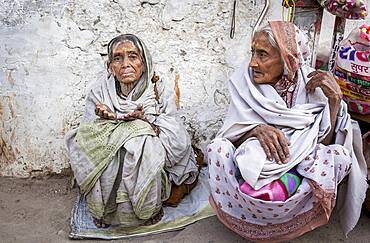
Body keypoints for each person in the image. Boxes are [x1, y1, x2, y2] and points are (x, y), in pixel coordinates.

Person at [207, 21, 368, 241]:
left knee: (337, 157)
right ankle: (247, 218)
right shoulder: (245, 82)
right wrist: (255, 130)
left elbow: (326, 142)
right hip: (257, 161)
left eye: (263, 54)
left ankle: (286, 220)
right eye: (252, 52)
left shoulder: (311, 84)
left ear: (287, 58)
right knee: (217, 149)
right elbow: (230, 133)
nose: (253, 62)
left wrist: (334, 101)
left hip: (297, 161)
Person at [66, 34, 199, 227]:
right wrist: (104, 121)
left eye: (133, 56)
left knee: (141, 141)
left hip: (152, 153)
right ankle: (105, 208)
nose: (125, 64)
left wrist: (144, 122)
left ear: (144, 63)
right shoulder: (100, 92)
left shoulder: (158, 92)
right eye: (118, 58)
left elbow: (177, 140)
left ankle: (148, 207)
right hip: (112, 160)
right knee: (106, 144)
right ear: (110, 67)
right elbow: (85, 138)